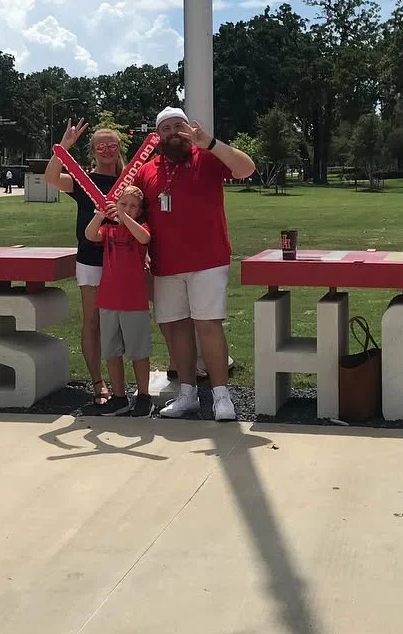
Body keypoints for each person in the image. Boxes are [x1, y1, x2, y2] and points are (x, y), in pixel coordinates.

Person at [135, 107, 256, 421]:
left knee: (208, 325)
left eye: (179, 125)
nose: (173, 132)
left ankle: (221, 397)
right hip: (165, 264)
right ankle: (187, 394)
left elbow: (247, 168)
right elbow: (139, 216)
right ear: (158, 135)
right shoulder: (147, 171)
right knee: (177, 331)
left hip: (207, 260)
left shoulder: (208, 156)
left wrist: (211, 142)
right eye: (166, 129)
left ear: (189, 128)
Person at [45, 120, 124, 405]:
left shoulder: (131, 178)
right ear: (92, 151)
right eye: (100, 146)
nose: (107, 151)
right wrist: (63, 147)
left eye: (112, 145)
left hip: (125, 260)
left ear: (119, 149)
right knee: (92, 321)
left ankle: (124, 384)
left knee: (126, 321)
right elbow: (52, 178)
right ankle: (98, 383)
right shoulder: (81, 181)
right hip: (91, 259)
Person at [85, 186, 154, 417]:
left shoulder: (140, 228)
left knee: (138, 352)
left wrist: (124, 217)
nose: (127, 209)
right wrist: (101, 213)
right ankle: (119, 395)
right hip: (108, 300)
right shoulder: (109, 230)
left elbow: (145, 237)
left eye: (133, 206)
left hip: (133, 301)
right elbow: (89, 235)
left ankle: (144, 395)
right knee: (112, 351)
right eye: (123, 204)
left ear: (140, 210)